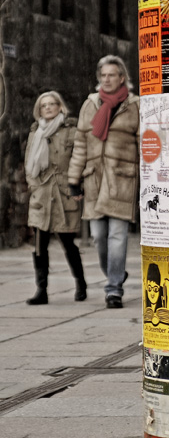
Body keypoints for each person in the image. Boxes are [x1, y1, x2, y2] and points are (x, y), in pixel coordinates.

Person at [68, 55, 139, 309]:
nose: (107, 79)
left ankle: (114, 289)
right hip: (94, 181)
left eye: (112, 75)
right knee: (99, 237)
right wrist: (73, 180)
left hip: (122, 180)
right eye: (103, 75)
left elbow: (145, 144)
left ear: (122, 78)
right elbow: (80, 145)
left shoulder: (134, 105)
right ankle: (115, 272)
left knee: (118, 236)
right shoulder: (90, 105)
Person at [24, 91, 86, 305]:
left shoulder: (71, 131)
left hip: (63, 192)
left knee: (67, 242)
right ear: (39, 110)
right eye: (44, 105)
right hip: (41, 193)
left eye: (52, 104)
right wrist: (34, 187)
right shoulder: (35, 132)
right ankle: (41, 289)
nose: (48, 108)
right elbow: (28, 164)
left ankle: (81, 282)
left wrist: (77, 186)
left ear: (60, 106)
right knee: (39, 244)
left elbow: (81, 159)